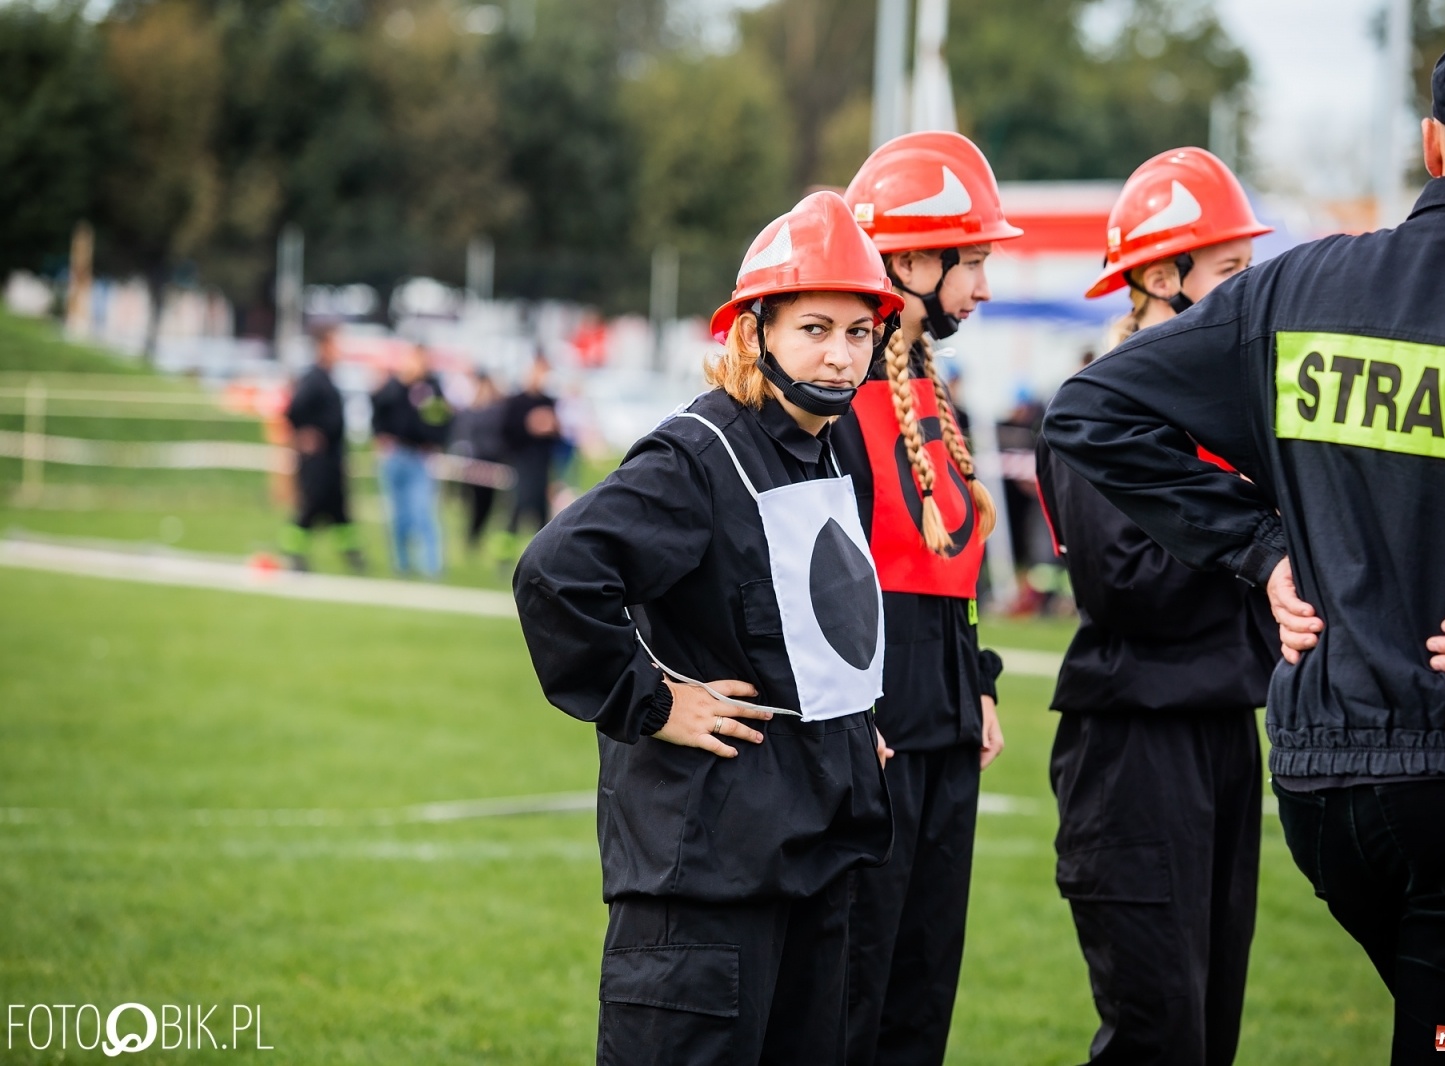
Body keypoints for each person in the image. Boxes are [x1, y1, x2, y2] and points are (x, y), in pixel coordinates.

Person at [1043, 25, 1445, 1064]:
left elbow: (1088, 412)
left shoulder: (1297, 291)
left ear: (1432, 146)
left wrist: (1257, 549)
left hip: (1327, 783)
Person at [513, 191, 899, 1066]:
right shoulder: (697, 455)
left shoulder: (837, 446)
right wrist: (653, 702)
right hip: (703, 879)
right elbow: (555, 572)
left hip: (815, 853)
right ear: (755, 330)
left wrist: (851, 728)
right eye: (814, 328)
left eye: (858, 332)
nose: (840, 356)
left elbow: (820, 612)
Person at [1033, 147, 1276, 1066]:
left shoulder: (1222, 403)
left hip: (1218, 729)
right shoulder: (1104, 404)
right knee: (1159, 1038)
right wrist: (1257, 535)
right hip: (1134, 743)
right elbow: (1126, 585)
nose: (1245, 297)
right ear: (1161, 275)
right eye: (1229, 274)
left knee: (1213, 1029)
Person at [834, 130, 1020, 1066]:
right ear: (910, 258)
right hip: (874, 722)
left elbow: (953, 565)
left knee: (923, 985)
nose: (981, 286)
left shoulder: (924, 383)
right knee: (855, 986)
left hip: (942, 714)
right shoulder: (834, 389)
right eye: (973, 260)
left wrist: (978, 679)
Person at [280, 322, 364, 572]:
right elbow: (293, 411)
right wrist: (303, 435)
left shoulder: (328, 378)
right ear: (323, 346)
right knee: (312, 506)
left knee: (339, 509)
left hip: (333, 457)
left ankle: (353, 556)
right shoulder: (313, 379)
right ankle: (293, 552)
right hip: (318, 460)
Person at [370, 343, 453, 578]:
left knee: (423, 511)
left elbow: (441, 420)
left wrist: (435, 441)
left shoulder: (433, 388)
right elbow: (379, 409)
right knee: (398, 515)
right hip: (395, 454)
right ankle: (402, 564)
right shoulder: (394, 386)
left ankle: (432, 566)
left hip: (419, 456)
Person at [496, 354, 561, 566]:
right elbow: (506, 433)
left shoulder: (549, 401)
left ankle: (541, 558)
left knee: (541, 512)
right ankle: (505, 556)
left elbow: (558, 437)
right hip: (521, 463)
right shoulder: (517, 402)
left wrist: (552, 427)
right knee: (518, 507)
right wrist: (530, 425)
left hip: (542, 464)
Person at [449, 368, 505, 555]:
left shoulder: (498, 410)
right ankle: (471, 536)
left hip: (491, 462)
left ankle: (475, 536)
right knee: (473, 501)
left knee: (486, 503)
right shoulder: (470, 411)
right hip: (473, 463)